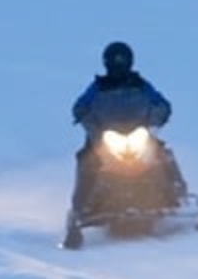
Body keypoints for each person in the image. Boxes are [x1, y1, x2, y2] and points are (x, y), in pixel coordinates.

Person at [68, 40, 178, 218]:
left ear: (129, 61)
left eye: (122, 60)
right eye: (115, 60)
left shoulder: (140, 84)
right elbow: (81, 105)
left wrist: (158, 116)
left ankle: (177, 194)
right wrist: (84, 116)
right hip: (106, 134)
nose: (118, 64)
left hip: (138, 131)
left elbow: (160, 102)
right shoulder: (98, 87)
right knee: (87, 159)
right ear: (107, 62)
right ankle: (81, 207)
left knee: (162, 153)